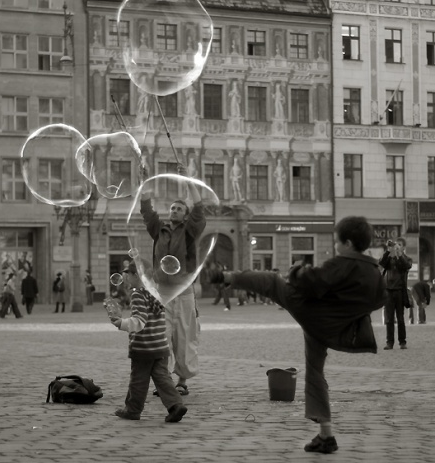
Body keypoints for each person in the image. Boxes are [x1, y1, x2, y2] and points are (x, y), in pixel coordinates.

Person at [209, 216, 387, 454]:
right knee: (315, 372)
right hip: (336, 330)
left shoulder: (343, 263)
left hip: (313, 314)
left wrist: (297, 270)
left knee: (272, 281)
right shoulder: (375, 273)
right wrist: (344, 311)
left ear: (347, 243)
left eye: (337, 241)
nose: (335, 245)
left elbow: (312, 280)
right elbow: (378, 301)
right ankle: (326, 436)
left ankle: (228, 277)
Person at [140, 162, 206, 396]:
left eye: (179, 208)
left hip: (184, 291)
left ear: (186, 215)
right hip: (162, 292)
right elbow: (147, 210)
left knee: (184, 337)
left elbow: (199, 207)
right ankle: (165, 380)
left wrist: (187, 179)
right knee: (162, 337)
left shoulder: (190, 231)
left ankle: (182, 381)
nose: (175, 210)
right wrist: (145, 182)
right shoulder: (159, 230)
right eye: (173, 208)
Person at [109, 262, 188, 423]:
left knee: (138, 380)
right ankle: (176, 405)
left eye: (128, 274)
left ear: (137, 276)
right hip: (160, 345)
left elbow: (139, 321)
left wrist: (120, 323)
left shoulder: (138, 294)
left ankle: (132, 410)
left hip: (144, 347)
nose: (126, 278)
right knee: (163, 378)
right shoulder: (155, 292)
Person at [379, 237, 412, 350]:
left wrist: (399, 254)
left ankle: (402, 342)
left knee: (400, 318)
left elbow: (406, 266)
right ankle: (389, 342)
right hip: (388, 291)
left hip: (399, 291)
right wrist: (389, 250)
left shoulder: (406, 259)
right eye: (396, 244)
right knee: (389, 319)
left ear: (403, 247)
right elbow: (381, 262)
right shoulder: (389, 258)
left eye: (399, 245)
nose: (397, 246)